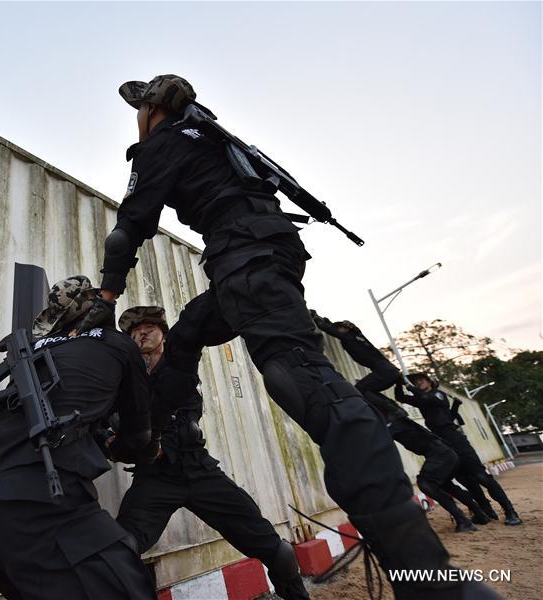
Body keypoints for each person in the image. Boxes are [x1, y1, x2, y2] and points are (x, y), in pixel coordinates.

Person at [75, 74, 500, 599]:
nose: (136, 116)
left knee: (303, 382)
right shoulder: (214, 138)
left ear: (152, 109)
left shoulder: (162, 142)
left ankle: (431, 579)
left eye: (140, 108)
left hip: (246, 260)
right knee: (188, 333)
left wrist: (109, 294)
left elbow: (129, 227)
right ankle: (155, 428)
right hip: (256, 259)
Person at [0, 276, 159, 600]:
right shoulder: (119, 345)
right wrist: (119, 447)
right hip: (37, 504)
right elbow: (138, 437)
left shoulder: (36, 349)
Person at [113, 306, 309, 600]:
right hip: (154, 476)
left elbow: (191, 407)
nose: (141, 333)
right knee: (119, 549)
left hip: (199, 469)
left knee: (273, 547)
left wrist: (186, 428)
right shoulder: (127, 377)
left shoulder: (181, 366)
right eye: (134, 331)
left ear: (163, 333)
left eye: (148, 327)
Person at [312, 313, 489, 532]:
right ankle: (478, 512)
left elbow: (381, 408)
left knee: (427, 484)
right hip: (441, 452)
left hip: (441, 452)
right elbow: (396, 401)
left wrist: (318, 320)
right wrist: (399, 387)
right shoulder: (395, 418)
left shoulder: (394, 421)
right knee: (444, 485)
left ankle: (466, 519)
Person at [396, 372, 522, 527]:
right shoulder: (421, 399)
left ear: (429, 382)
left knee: (481, 476)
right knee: (465, 480)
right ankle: (486, 511)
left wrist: (409, 386)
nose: (418, 383)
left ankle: (510, 511)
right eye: (415, 382)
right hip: (443, 444)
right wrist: (398, 382)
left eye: (421, 380)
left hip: (456, 440)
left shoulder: (438, 395)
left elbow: (427, 398)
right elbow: (401, 398)